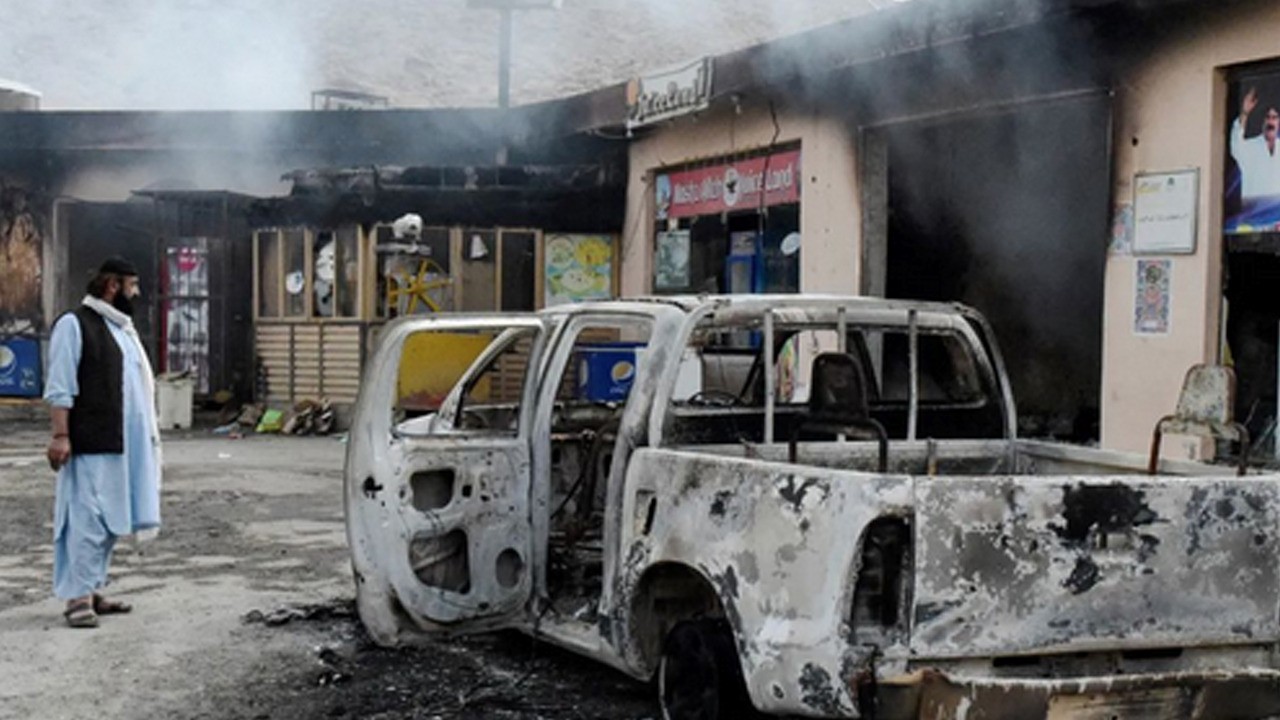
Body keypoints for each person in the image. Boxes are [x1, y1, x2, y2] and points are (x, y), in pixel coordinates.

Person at [44, 256, 162, 628]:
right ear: (113, 286)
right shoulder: (74, 324)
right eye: (132, 285)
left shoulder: (121, 328)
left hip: (124, 443)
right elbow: (61, 385)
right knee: (86, 519)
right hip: (91, 440)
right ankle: (77, 598)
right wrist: (61, 435)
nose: (136, 293)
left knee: (112, 519)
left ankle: (93, 589)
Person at [1230, 86, 1280, 200]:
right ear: (1262, 122)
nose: (1270, 121)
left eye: (1274, 117)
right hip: (1253, 209)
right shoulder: (1250, 147)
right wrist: (1244, 113)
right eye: (1267, 117)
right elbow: (1236, 142)